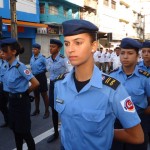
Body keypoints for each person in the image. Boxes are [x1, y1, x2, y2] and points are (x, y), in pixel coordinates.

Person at [54, 19, 144, 150]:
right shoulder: (60, 84)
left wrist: (106, 132)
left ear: (93, 46)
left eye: (78, 42)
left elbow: (137, 136)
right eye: (67, 44)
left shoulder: (113, 89)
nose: (70, 50)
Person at [110, 38, 150, 150]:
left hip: (138, 122)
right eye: (122, 53)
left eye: (130, 53)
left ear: (137, 56)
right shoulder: (112, 76)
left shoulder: (145, 78)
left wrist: (145, 111)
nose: (125, 56)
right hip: (116, 122)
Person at [1, 38, 39, 150]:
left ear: (13, 52)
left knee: (25, 133)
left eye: (4, 51)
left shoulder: (20, 66)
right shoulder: (5, 66)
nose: (2, 53)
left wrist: (25, 93)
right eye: (1, 51)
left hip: (22, 103)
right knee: (15, 131)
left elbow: (35, 83)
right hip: (12, 102)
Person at [46, 39, 70, 143]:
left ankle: (68, 132)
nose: (51, 48)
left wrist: (62, 78)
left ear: (59, 48)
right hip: (52, 86)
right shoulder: (48, 60)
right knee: (53, 109)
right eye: (50, 46)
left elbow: (70, 72)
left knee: (64, 109)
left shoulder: (63, 59)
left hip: (61, 87)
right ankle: (56, 132)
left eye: (53, 46)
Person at [30, 43, 49, 119]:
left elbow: (48, 66)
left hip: (41, 77)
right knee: (36, 94)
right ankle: (37, 110)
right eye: (32, 49)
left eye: (35, 49)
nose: (33, 50)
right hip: (34, 77)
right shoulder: (32, 57)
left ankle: (47, 111)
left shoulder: (42, 58)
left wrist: (42, 71)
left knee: (44, 95)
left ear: (39, 50)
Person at [0, 41, 8, 127]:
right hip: (0, 85)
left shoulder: (8, 62)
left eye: (2, 52)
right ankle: (7, 120)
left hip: (7, 86)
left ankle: (13, 121)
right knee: (2, 105)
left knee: (10, 104)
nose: (1, 53)